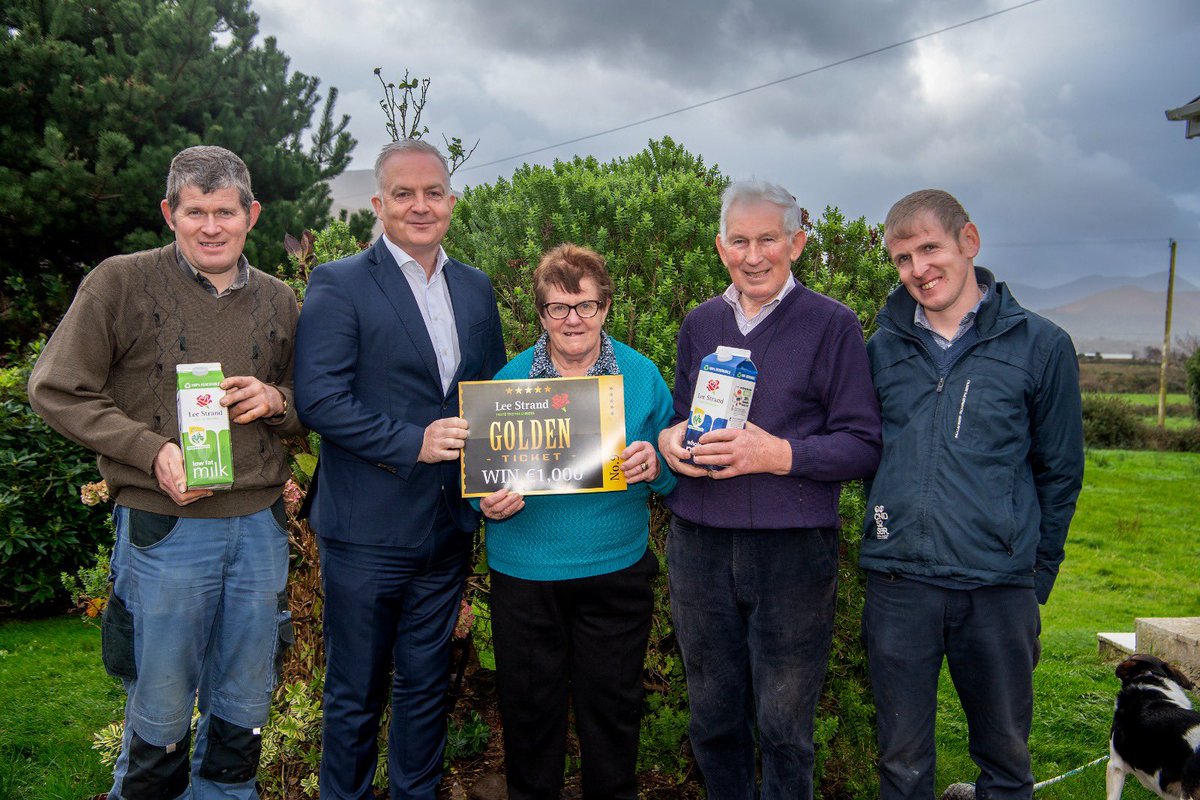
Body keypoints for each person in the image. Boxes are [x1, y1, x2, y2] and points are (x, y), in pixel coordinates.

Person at [28, 145, 301, 799]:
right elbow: (57, 387)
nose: (212, 227)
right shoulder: (120, 283)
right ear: (169, 213)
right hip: (165, 531)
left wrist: (279, 401)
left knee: (243, 713)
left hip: (260, 531)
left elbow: (311, 405)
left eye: (226, 212)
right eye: (196, 211)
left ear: (252, 215)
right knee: (161, 715)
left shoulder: (280, 300)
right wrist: (152, 450)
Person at [294, 138, 506, 799]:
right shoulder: (339, 282)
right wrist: (411, 442)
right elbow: (319, 398)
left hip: (446, 526)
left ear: (451, 199)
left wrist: (496, 483)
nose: (421, 206)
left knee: (425, 686)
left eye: (434, 192)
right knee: (356, 692)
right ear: (380, 204)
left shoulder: (474, 287)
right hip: (365, 529)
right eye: (405, 194)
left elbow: (490, 392)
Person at [657, 180, 882, 799]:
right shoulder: (700, 322)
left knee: (786, 727)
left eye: (768, 240)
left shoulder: (832, 325)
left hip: (792, 552)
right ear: (719, 246)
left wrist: (778, 454)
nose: (753, 255)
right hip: (698, 544)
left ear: (797, 243)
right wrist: (672, 440)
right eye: (739, 241)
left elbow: (864, 443)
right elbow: (682, 414)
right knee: (712, 718)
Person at [859, 189, 1084, 800]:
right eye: (902, 259)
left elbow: (1060, 472)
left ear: (969, 242)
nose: (918, 270)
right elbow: (857, 449)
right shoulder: (879, 350)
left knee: (1006, 764)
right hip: (899, 585)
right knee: (901, 764)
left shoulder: (1042, 346)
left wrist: (1035, 576)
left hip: (997, 588)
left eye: (930, 249)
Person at [477, 244, 677, 800]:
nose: (573, 320)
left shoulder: (640, 377)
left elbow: (675, 470)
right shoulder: (507, 381)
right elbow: (480, 481)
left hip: (615, 571)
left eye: (585, 306)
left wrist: (656, 467)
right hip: (525, 575)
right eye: (558, 308)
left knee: (612, 718)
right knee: (529, 720)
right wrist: (484, 504)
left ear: (606, 307)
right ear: (540, 314)